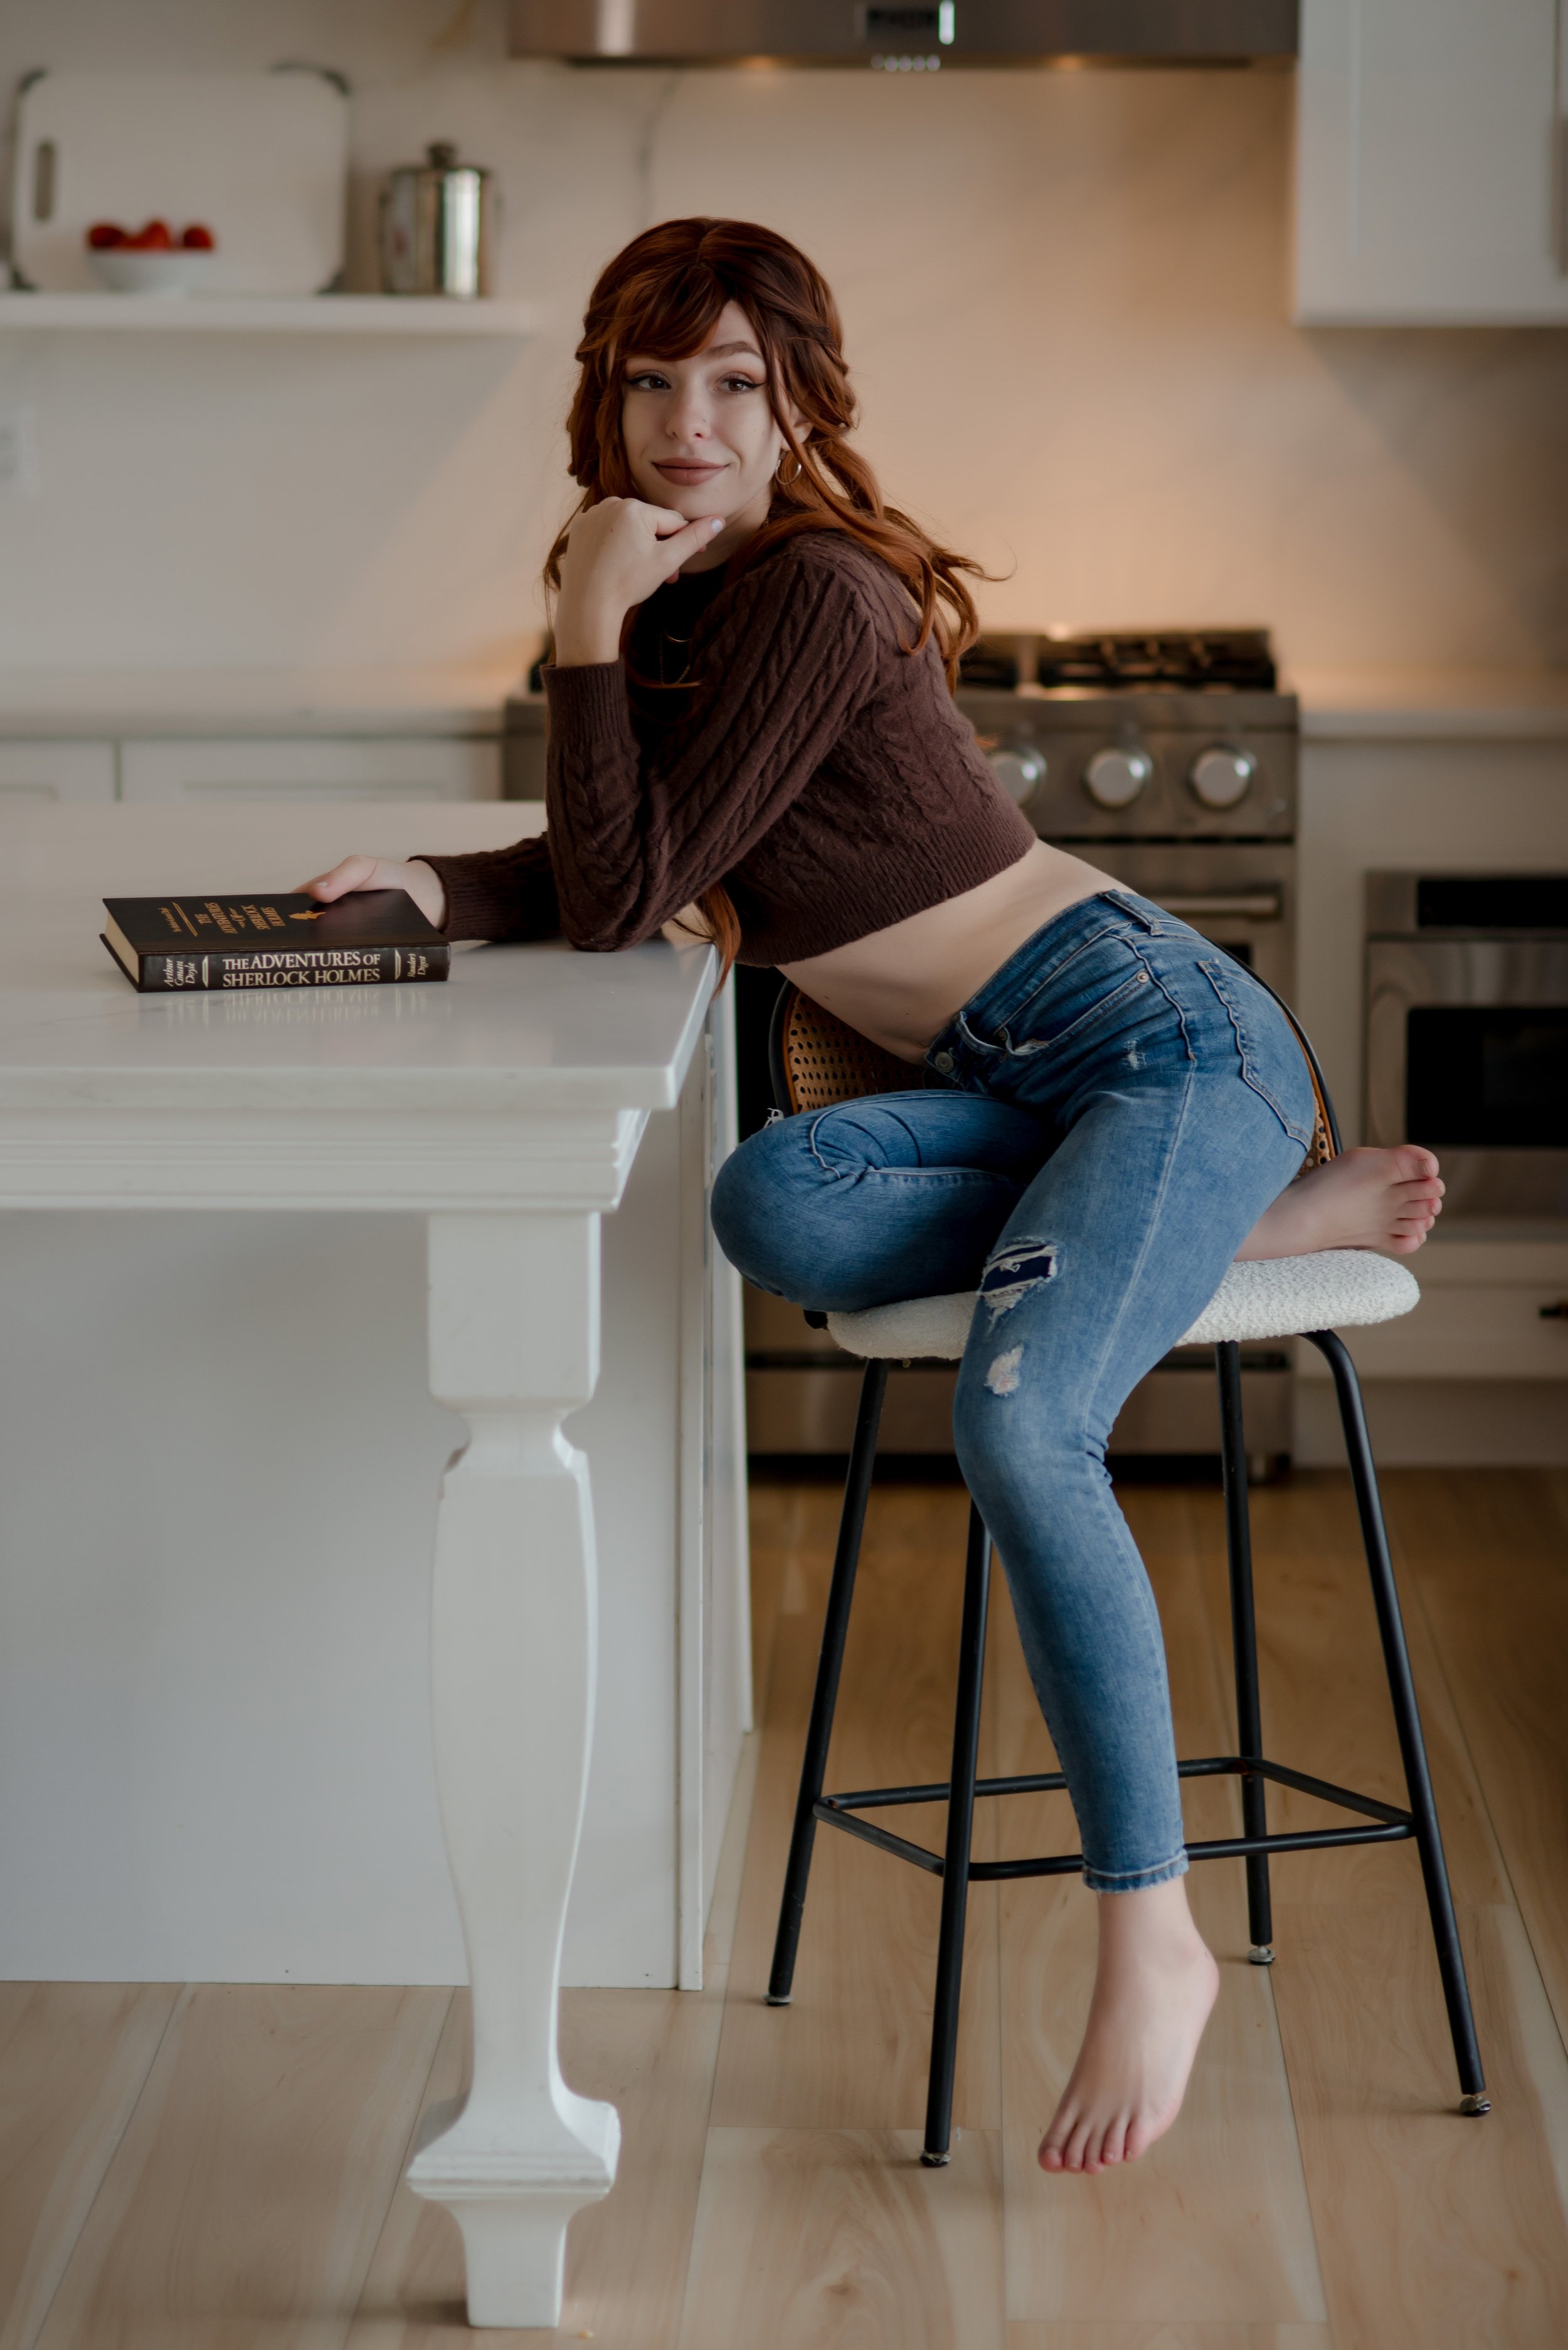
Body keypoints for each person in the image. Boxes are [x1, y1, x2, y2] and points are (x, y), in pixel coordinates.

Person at [304, 218, 1443, 2177]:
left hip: (1161, 1040)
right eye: (653, 381)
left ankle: (1146, 1924)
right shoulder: (676, 606)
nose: (687, 424)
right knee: (779, 1206)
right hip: (1000, 1097)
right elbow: (620, 861)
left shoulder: (813, 590)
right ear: (605, 392)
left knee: (1019, 1415)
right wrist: (430, 882)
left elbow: (615, 890)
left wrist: (578, 619)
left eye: (735, 383)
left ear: (799, 401)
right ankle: (1224, 1222)